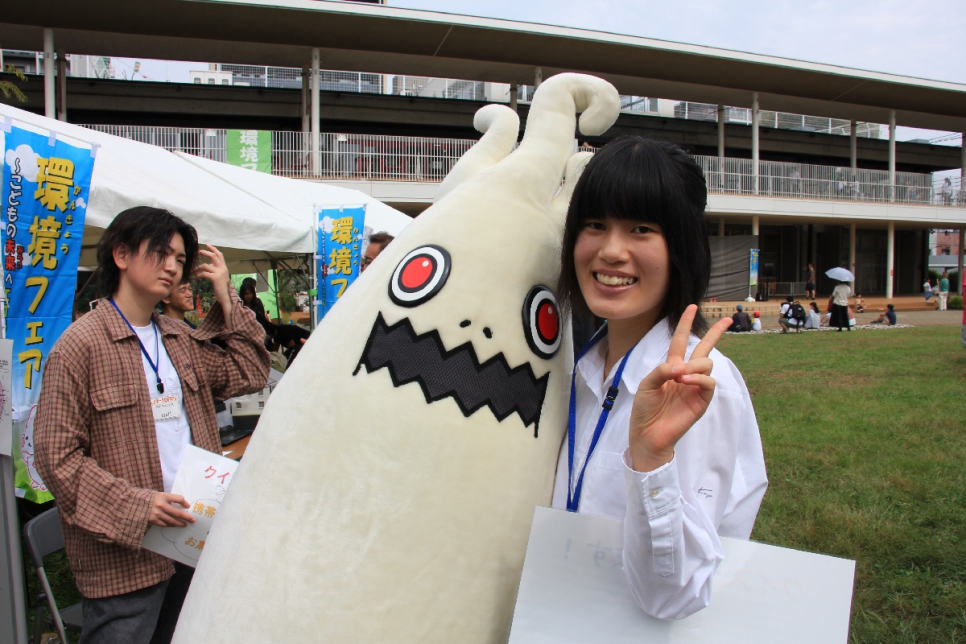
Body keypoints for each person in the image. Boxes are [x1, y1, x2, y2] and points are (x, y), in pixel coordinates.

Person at [552, 137, 767, 620]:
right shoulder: (582, 368)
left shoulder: (699, 384)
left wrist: (651, 461)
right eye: (595, 225)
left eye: (641, 229)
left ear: (681, 248)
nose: (611, 251)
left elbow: (674, 597)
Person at [33, 206, 271, 644]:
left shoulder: (178, 338)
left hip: (191, 541)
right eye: (161, 253)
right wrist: (137, 506)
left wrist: (227, 296)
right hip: (124, 559)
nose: (173, 267)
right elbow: (57, 459)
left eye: (180, 259)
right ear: (121, 255)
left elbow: (250, 372)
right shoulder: (79, 346)